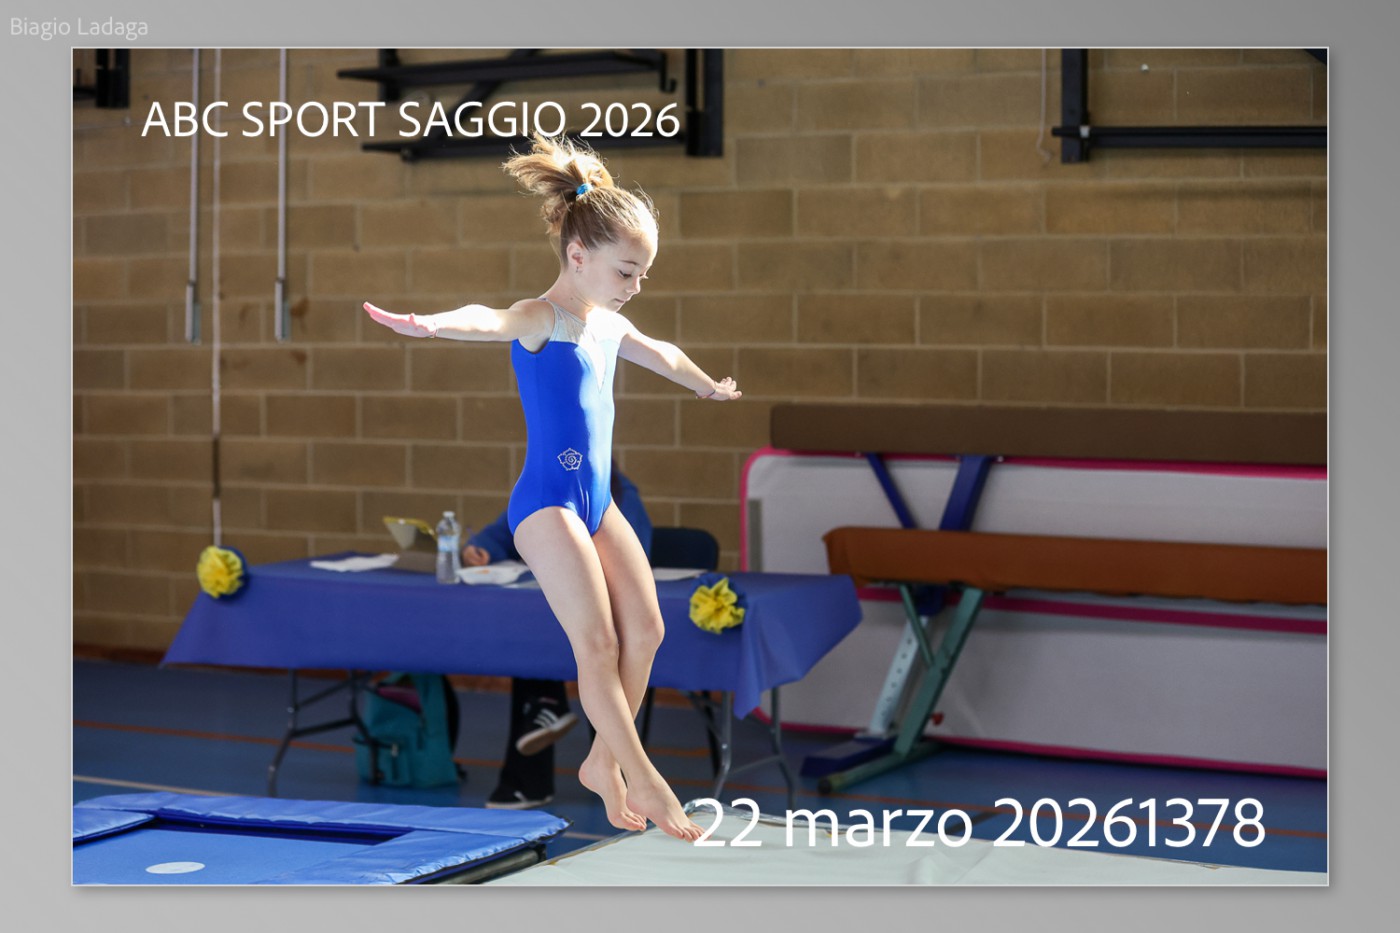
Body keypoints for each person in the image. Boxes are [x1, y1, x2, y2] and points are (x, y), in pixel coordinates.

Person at [363, 134, 740, 842]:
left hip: (598, 504)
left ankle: (603, 761)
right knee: (597, 643)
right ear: (578, 255)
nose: (635, 286)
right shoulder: (544, 317)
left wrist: (704, 385)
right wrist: (431, 325)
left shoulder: (610, 325)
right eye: (626, 271)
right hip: (545, 505)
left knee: (648, 629)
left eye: (643, 274)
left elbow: (663, 353)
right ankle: (643, 775)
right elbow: (487, 319)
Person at [463, 469, 653, 811]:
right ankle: (547, 714)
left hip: (601, 610)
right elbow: (503, 530)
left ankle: (598, 752)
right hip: (555, 615)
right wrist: (481, 548)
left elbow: (632, 557)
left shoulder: (617, 495)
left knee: (620, 638)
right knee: (539, 634)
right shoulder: (547, 488)